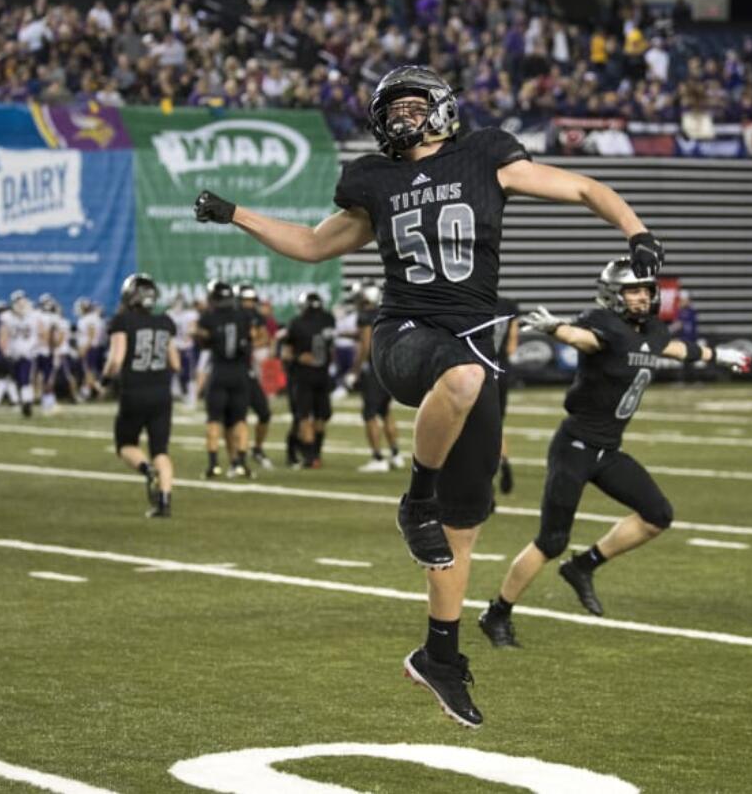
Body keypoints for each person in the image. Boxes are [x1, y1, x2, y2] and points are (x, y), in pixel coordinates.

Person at [194, 64, 665, 728]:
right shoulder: (374, 179)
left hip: (471, 342)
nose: (403, 116)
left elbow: (585, 186)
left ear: (441, 108)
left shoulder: (486, 155)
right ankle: (414, 495)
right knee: (463, 383)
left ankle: (440, 654)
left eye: (414, 104)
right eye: (393, 107)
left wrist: (636, 232)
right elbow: (311, 244)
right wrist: (234, 213)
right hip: (407, 335)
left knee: (462, 527)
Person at [478, 259, 750, 647]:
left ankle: (584, 565)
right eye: (632, 291)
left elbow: (673, 348)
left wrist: (716, 356)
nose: (642, 297)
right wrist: (557, 328)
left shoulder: (653, 330)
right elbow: (584, 339)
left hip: (608, 450)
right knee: (551, 540)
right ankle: (497, 614)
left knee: (658, 515)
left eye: (645, 290)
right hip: (574, 447)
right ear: (613, 294)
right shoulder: (602, 326)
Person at [102, 273, 180, 518]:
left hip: (134, 391)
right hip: (161, 393)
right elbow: (176, 363)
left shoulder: (122, 321)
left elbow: (116, 358)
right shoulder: (165, 321)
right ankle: (164, 501)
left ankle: (147, 470)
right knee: (161, 450)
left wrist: (105, 379)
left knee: (125, 444)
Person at [196, 279, 253, 479]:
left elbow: (202, 338)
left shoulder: (209, 317)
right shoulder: (243, 315)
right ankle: (241, 464)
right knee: (240, 420)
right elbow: (251, 338)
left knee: (213, 420)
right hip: (239, 372)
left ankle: (213, 465)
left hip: (219, 371)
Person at [348, 280, 403, 472]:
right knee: (385, 411)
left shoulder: (364, 316)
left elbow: (366, 344)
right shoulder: (386, 313)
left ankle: (378, 457)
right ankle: (396, 454)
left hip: (373, 370)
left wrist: (354, 371)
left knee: (370, 414)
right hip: (389, 367)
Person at [282, 290, 335, 469]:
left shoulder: (296, 323)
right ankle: (312, 455)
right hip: (314, 375)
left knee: (306, 417)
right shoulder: (328, 319)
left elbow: (286, 353)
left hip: (305, 375)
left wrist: (297, 357)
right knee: (314, 417)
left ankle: (311, 455)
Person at [236, 283, 274, 470]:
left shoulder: (256, 317)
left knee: (264, 413)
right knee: (236, 417)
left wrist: (249, 341)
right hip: (233, 371)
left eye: (251, 300)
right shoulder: (231, 317)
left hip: (249, 371)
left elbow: (265, 338)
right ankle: (236, 458)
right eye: (245, 300)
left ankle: (257, 449)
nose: (249, 304)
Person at [493, 295, 520, 493]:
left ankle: (484, 482)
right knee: (496, 425)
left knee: (470, 429)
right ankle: (503, 460)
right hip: (501, 370)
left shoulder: (472, 300)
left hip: (477, 369)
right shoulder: (507, 305)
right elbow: (512, 345)